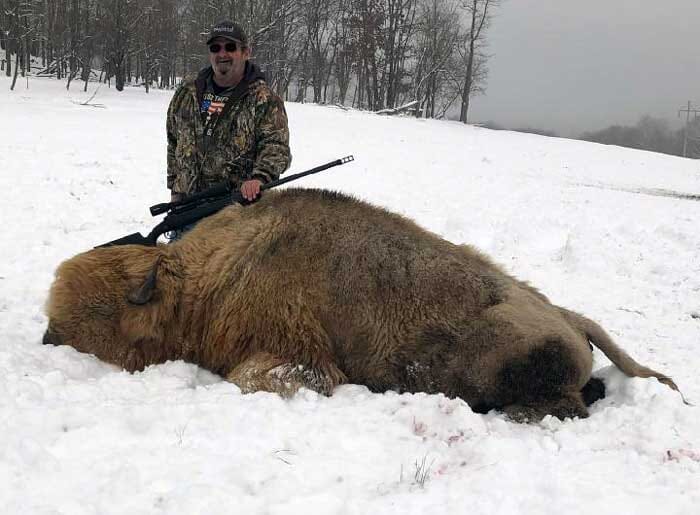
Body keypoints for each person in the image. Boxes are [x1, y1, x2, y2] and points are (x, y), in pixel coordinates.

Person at [165, 20, 291, 237]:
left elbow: (276, 147)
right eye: (216, 48)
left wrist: (260, 178)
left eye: (230, 47)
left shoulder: (264, 99)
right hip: (187, 210)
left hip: (234, 218)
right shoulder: (187, 92)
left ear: (245, 52)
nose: (222, 53)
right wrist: (176, 189)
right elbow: (173, 142)